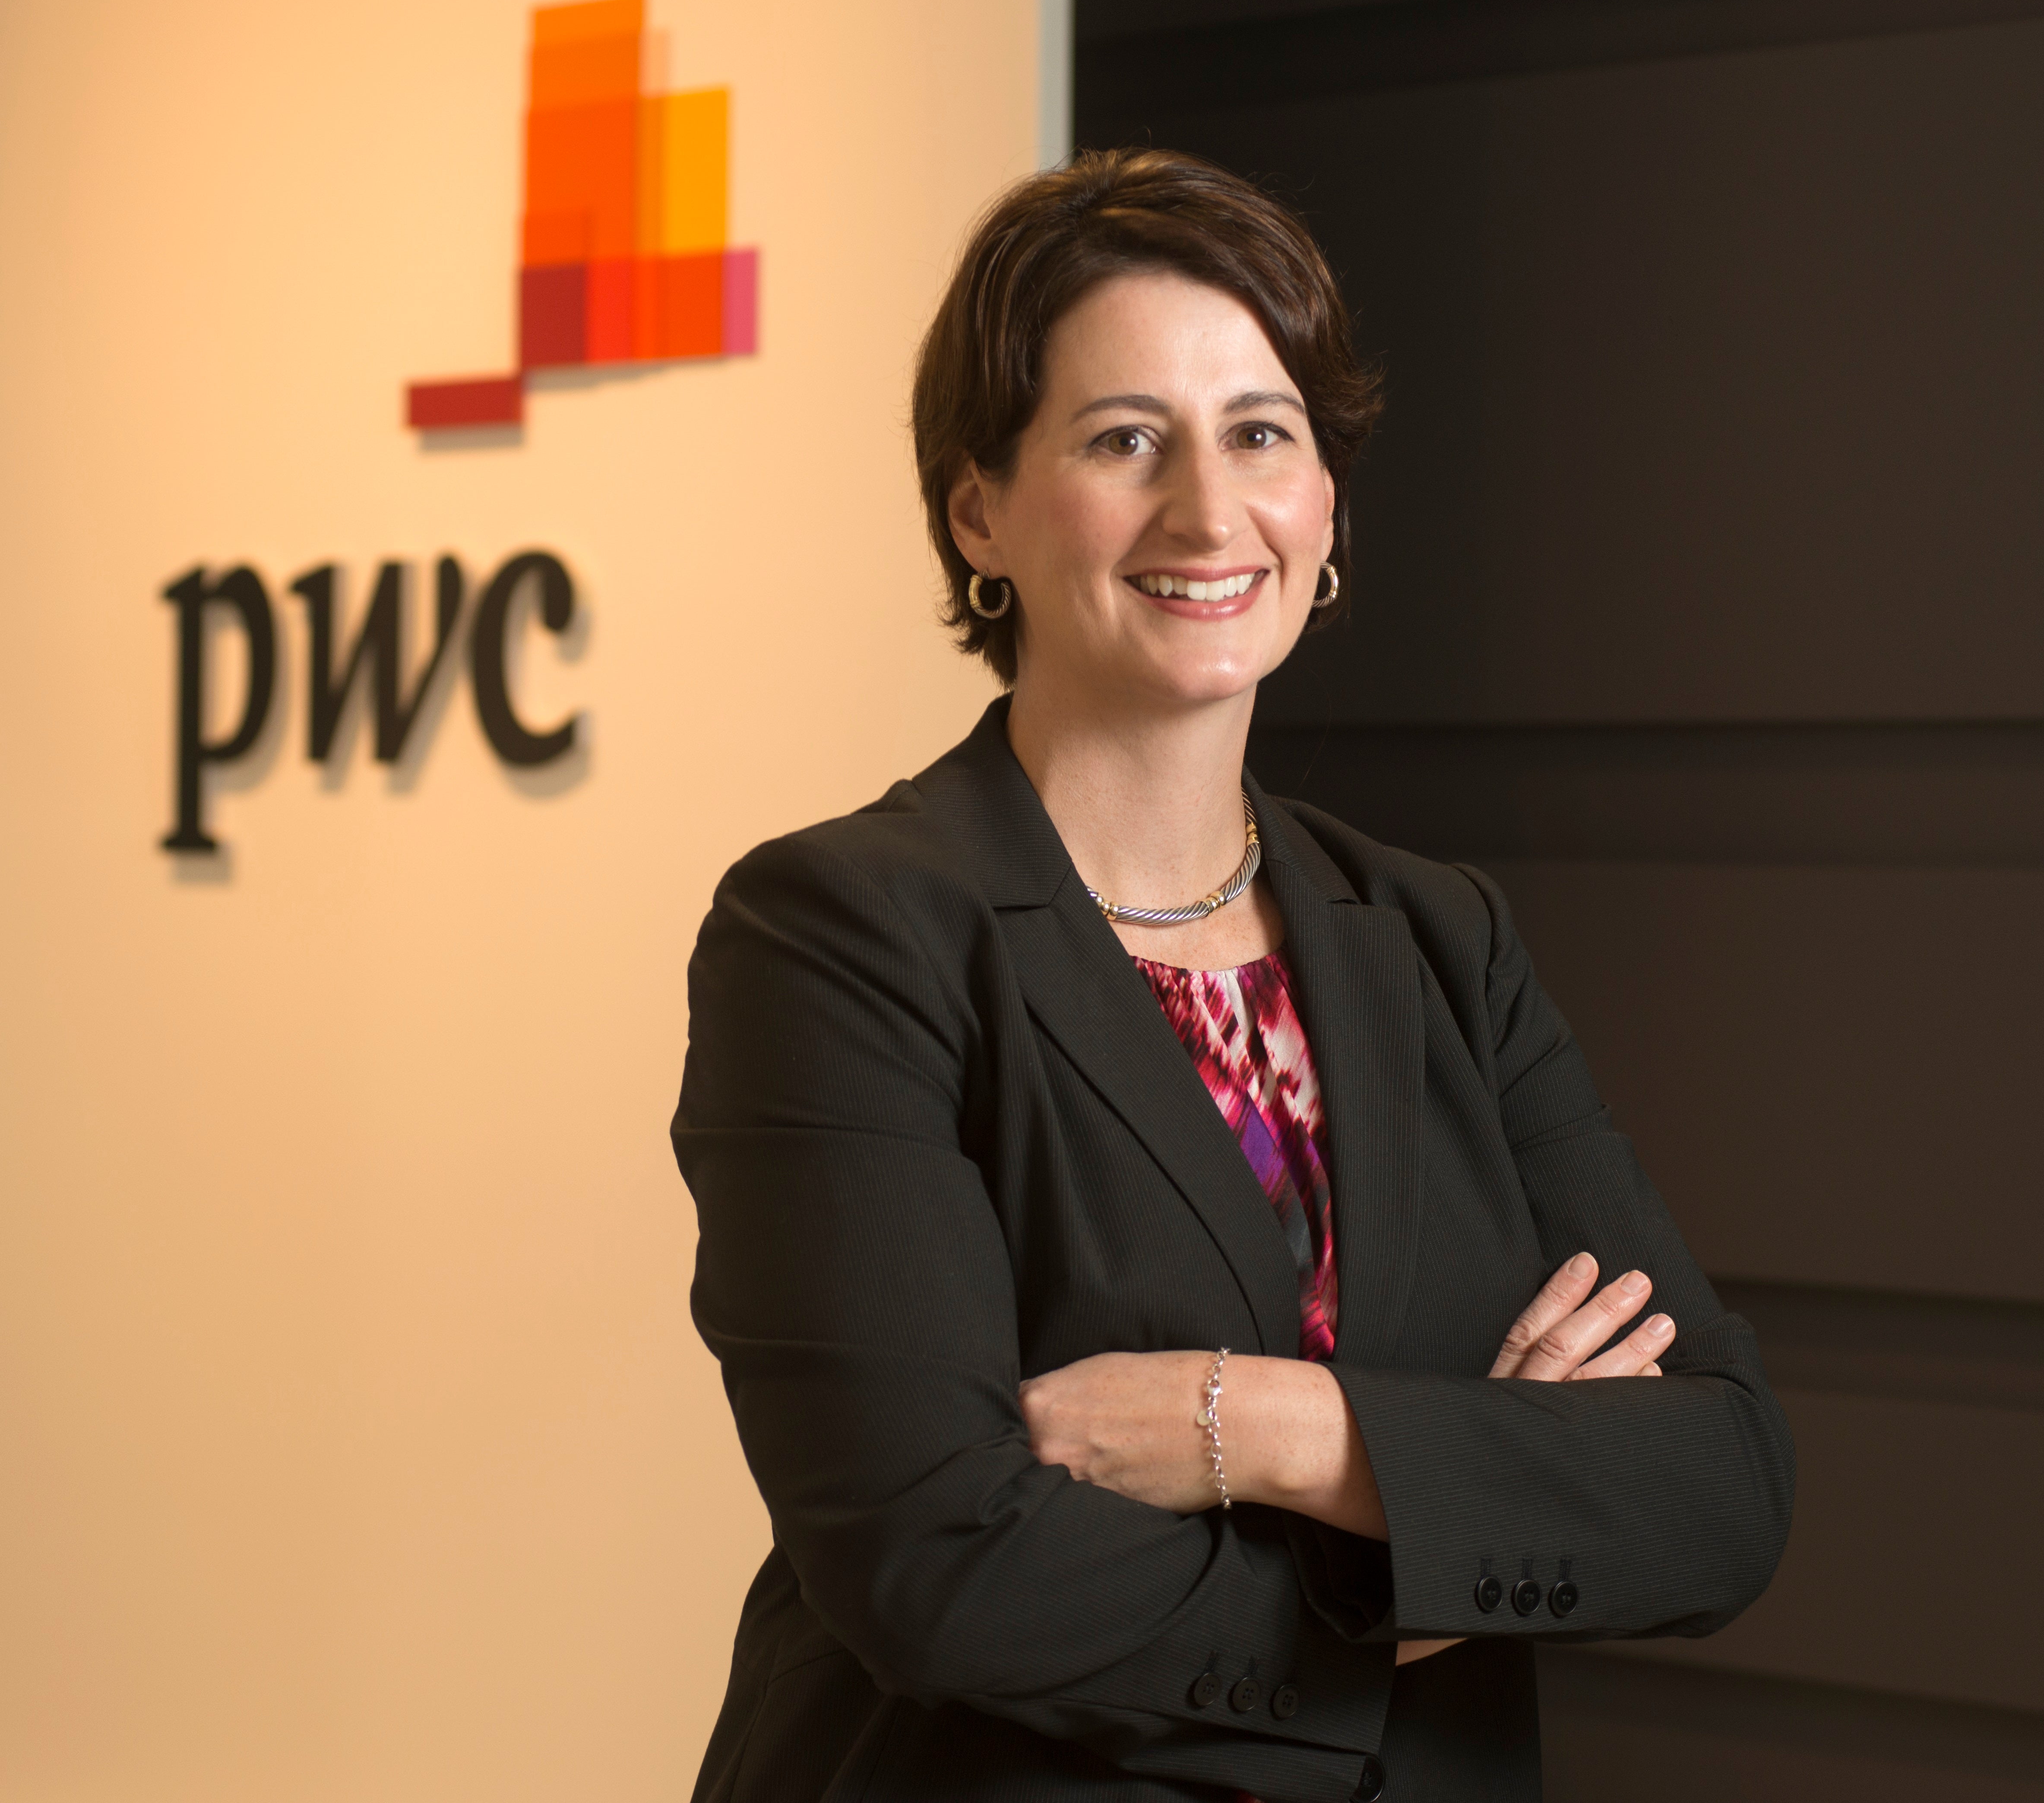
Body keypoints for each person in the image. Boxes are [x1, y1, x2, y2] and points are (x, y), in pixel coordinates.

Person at [672, 149, 1794, 1803]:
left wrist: (1255, 1427)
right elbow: (940, 1567)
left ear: (1324, 500)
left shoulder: (1440, 938)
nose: (1208, 511)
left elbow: (1715, 1483)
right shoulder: (842, 935)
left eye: (1261, 433)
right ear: (978, 509)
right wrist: (1457, 1516)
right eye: (1124, 440)